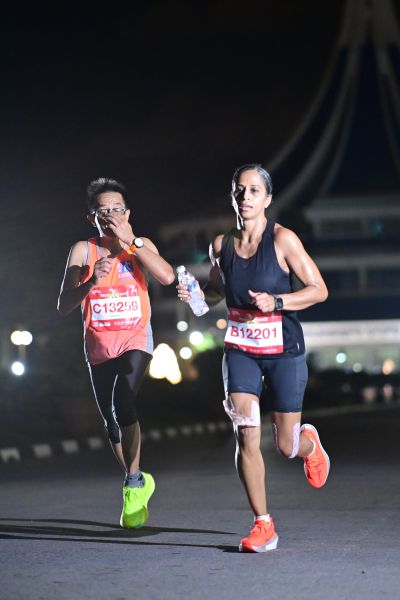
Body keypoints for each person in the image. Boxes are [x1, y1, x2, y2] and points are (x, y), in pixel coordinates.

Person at [177, 164, 329, 553]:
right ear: (233, 196)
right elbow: (215, 292)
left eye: (254, 190)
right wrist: (196, 295)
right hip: (241, 347)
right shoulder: (220, 245)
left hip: (283, 349)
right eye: (239, 190)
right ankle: (263, 524)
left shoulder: (283, 240)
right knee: (245, 429)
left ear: (268, 198)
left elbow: (318, 290)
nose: (245, 197)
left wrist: (277, 301)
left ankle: (307, 444)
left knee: (285, 447)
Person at [58, 177, 175, 528]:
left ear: (127, 213)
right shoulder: (83, 251)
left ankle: (133, 485)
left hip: (135, 339)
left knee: (122, 401)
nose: (110, 215)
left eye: (116, 209)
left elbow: (167, 277)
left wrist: (132, 241)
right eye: (103, 210)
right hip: (98, 346)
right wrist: (92, 281)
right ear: (91, 217)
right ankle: (135, 476)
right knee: (111, 423)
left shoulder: (140, 245)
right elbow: (63, 304)